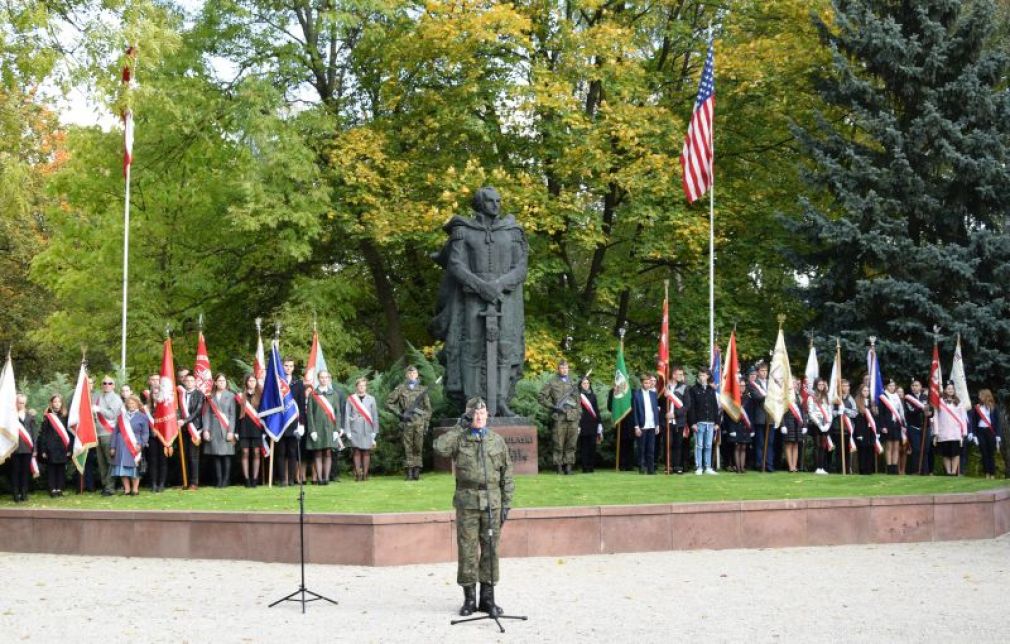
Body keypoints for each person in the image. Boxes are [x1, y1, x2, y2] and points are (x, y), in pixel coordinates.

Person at [430, 186, 528, 415]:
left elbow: (521, 267)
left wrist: (499, 285)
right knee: (470, 349)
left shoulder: (512, 231)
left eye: (499, 200)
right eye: (491, 201)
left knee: (505, 349)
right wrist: (481, 287)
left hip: (504, 297)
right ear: (480, 204)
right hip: (471, 298)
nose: (497, 205)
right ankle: (472, 404)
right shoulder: (464, 231)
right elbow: (455, 264)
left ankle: (501, 401)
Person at [432, 397, 514, 617]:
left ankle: (487, 599)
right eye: (474, 414)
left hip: (492, 503)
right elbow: (439, 448)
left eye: (482, 413)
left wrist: (507, 503)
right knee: (467, 550)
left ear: (487, 415)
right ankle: (469, 599)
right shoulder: (460, 438)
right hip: (467, 502)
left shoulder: (497, 441)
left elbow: (507, 474)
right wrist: (459, 426)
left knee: (490, 549)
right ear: (469, 416)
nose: (479, 417)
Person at [386, 365, 432, 481]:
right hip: (407, 421)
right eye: (410, 374)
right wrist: (400, 414)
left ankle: (417, 470)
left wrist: (425, 422)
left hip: (419, 422)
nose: (412, 375)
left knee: (418, 446)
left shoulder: (422, 389)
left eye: (414, 373)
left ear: (417, 375)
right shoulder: (401, 389)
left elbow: (428, 409)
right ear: (406, 375)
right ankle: (409, 471)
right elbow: (389, 402)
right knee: (407, 447)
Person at [538, 360, 580, 475]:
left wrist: (578, 417)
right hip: (559, 417)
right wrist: (553, 407)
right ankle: (559, 467)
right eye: (562, 368)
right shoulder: (552, 382)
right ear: (558, 369)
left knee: (571, 443)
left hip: (573, 417)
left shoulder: (573, 383)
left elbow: (578, 402)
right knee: (558, 443)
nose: (564, 370)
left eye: (566, 368)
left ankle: (569, 467)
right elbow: (541, 397)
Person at [307, 370, 343, 485]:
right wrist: (312, 430)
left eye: (326, 377)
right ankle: (320, 478)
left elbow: (338, 413)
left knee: (328, 452)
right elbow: (310, 414)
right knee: (318, 452)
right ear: (318, 379)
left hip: (330, 428)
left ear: (329, 379)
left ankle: (326, 478)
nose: (324, 379)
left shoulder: (334, 394)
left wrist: (337, 430)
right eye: (321, 377)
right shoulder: (313, 394)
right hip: (317, 428)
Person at [109, 395, 150, 495]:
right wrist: (113, 446)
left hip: (135, 444)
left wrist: (141, 444)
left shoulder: (143, 416)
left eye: (133, 403)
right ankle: (127, 489)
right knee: (122, 467)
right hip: (121, 445)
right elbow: (115, 432)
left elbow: (145, 433)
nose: (131, 405)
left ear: (137, 404)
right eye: (129, 403)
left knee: (134, 467)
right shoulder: (121, 417)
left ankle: (135, 489)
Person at [202, 373, 236, 488]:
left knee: (226, 455)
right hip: (213, 428)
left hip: (226, 428)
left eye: (224, 381)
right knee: (216, 455)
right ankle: (219, 480)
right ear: (215, 383)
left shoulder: (231, 396)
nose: (222, 383)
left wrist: (231, 431)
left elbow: (232, 415)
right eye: (220, 381)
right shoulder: (209, 397)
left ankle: (226, 480)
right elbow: (206, 414)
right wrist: (206, 430)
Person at [344, 377, 379, 481]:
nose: (361, 388)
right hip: (355, 428)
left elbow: (375, 415)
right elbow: (347, 415)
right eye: (360, 386)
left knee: (366, 452)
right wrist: (348, 431)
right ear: (356, 387)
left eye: (363, 385)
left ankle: (365, 474)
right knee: (356, 451)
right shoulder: (351, 399)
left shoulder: (371, 399)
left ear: (366, 387)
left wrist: (375, 431)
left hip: (367, 429)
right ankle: (358, 474)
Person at [280, 357, 308, 485]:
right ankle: (282, 479)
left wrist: (301, 424)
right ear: (282, 366)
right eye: (286, 365)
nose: (288, 368)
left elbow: (302, 405)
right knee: (281, 453)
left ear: (293, 367)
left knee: (292, 452)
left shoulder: (298, 383)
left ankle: (291, 479)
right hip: (280, 422)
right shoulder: (278, 381)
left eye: (291, 366)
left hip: (294, 422)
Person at [93, 375, 123, 496]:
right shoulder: (98, 397)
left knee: (110, 461)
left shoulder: (116, 398)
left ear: (114, 385)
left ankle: (110, 487)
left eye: (109, 383)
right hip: (98, 433)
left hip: (109, 433)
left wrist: (99, 409)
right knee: (101, 463)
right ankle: (105, 485)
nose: (107, 385)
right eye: (104, 383)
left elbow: (113, 415)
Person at [688, 368, 719, 475]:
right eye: (700, 375)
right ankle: (699, 467)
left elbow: (715, 407)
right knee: (699, 445)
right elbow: (691, 408)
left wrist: (717, 423)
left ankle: (708, 466)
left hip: (710, 422)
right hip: (699, 422)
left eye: (704, 375)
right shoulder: (693, 389)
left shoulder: (711, 390)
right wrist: (692, 423)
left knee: (708, 445)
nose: (702, 377)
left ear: (708, 377)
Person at [38, 394, 71, 497]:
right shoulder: (48, 417)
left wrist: (69, 448)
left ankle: (59, 488)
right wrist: (43, 449)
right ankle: (52, 489)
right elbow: (43, 433)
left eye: (59, 402)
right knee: (52, 469)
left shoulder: (65, 417)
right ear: (51, 403)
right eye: (55, 402)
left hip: (62, 447)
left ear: (62, 404)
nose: (57, 403)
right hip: (50, 447)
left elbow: (68, 434)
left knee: (61, 469)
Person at [933, 383, 967, 476]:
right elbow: (935, 417)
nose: (950, 390)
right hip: (943, 431)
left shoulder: (959, 402)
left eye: (952, 388)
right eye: (948, 388)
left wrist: (964, 431)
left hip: (955, 432)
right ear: (945, 390)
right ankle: (948, 472)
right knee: (946, 453)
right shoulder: (940, 401)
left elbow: (963, 417)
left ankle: (954, 471)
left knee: (956, 453)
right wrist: (936, 432)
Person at [9, 394, 38, 502]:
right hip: (15, 449)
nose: (21, 404)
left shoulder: (30, 416)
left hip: (27, 448)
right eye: (19, 402)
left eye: (23, 402)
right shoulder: (11, 416)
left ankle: (24, 493)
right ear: (16, 402)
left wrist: (35, 449)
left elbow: (34, 433)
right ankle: (16, 494)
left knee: (25, 472)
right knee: (15, 471)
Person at [663, 366, 692, 474]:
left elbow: (687, 406)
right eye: (679, 374)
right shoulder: (665, 387)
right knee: (667, 444)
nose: (681, 376)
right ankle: (668, 466)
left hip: (679, 421)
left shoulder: (684, 387)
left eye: (682, 374)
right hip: (667, 421)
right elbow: (659, 404)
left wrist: (675, 414)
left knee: (678, 444)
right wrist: (664, 396)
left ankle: (677, 466)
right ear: (673, 375)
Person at [236, 374, 263, 487]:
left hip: (257, 427)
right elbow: (237, 414)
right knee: (245, 452)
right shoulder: (240, 396)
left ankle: (255, 479)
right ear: (246, 382)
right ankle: (247, 479)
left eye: (254, 381)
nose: (252, 383)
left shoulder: (260, 395)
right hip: (244, 427)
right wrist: (236, 431)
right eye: (250, 381)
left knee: (256, 453)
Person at [631, 374, 660, 475]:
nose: (648, 384)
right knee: (641, 448)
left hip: (652, 425)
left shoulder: (653, 394)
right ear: (642, 383)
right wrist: (636, 426)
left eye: (649, 383)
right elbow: (634, 411)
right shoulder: (636, 394)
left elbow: (655, 410)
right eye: (646, 383)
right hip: (642, 425)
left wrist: (657, 424)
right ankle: (642, 467)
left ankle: (651, 469)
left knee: (651, 448)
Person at [970, 389, 1001, 480]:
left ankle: (992, 474)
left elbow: (997, 422)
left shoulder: (993, 407)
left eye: (981, 395)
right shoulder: (977, 408)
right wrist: (974, 435)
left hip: (990, 432)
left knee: (990, 453)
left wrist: (998, 435)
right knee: (984, 453)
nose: (979, 397)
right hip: (980, 431)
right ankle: (987, 473)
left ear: (986, 396)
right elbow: (974, 422)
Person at [903, 380, 932, 475]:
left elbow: (931, 411)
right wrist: (921, 408)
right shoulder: (908, 398)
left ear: (921, 387)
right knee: (916, 449)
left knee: (926, 449)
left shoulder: (926, 397)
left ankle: (925, 471)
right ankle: (915, 470)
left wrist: (930, 413)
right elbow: (911, 411)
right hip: (914, 427)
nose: (915, 387)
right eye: (913, 385)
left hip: (925, 427)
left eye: (917, 385)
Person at [878, 379, 906, 475]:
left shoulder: (897, 397)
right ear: (886, 387)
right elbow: (881, 414)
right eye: (890, 386)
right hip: (887, 425)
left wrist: (903, 424)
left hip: (896, 424)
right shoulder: (883, 397)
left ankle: (894, 467)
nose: (892, 387)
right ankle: (889, 467)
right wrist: (883, 426)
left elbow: (900, 412)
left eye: (893, 386)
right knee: (889, 446)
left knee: (896, 446)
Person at [831, 379, 858, 474]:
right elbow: (831, 412)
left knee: (847, 451)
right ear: (840, 387)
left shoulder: (851, 399)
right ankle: (839, 469)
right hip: (837, 428)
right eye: (844, 386)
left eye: (847, 386)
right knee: (839, 451)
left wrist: (845, 410)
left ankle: (846, 469)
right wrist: (838, 412)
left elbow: (855, 413)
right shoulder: (836, 399)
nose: (846, 388)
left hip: (848, 429)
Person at [576, 376, 602, 473]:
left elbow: (597, 410)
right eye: (584, 383)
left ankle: (591, 467)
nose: (586, 385)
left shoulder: (593, 396)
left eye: (587, 383)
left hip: (593, 425)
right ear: (581, 385)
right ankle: (585, 467)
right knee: (584, 447)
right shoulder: (578, 396)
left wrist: (599, 423)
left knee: (592, 446)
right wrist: (578, 425)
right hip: (582, 424)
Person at [807, 378, 832, 475]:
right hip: (816, 424)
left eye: (823, 384)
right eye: (819, 384)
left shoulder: (826, 397)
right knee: (817, 445)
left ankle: (821, 467)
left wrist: (828, 421)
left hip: (825, 423)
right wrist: (819, 423)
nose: (821, 386)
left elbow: (829, 410)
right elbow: (811, 412)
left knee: (823, 446)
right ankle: (817, 467)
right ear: (816, 385)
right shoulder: (811, 397)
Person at [781, 379, 806, 473]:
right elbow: (782, 411)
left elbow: (803, 411)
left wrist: (805, 425)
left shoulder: (799, 397)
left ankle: (795, 466)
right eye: (793, 383)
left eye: (796, 384)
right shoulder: (785, 396)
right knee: (789, 444)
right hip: (788, 423)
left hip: (798, 423)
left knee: (796, 445)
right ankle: (790, 466)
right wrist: (783, 425)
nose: (795, 385)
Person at [854, 384, 878, 475]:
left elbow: (875, 417)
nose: (866, 392)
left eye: (867, 391)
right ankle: (862, 469)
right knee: (862, 449)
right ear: (860, 391)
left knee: (869, 448)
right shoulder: (858, 402)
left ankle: (869, 469)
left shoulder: (871, 402)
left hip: (870, 429)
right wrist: (859, 433)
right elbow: (857, 419)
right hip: (861, 429)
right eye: (864, 390)